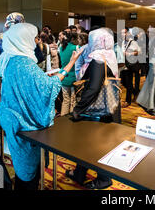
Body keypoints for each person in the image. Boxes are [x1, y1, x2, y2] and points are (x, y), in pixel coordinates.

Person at [0, 23, 82, 190]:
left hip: (12, 120)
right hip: (25, 126)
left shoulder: (9, 58)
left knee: (21, 164)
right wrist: (71, 64)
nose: (37, 41)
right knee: (28, 173)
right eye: (34, 37)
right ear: (24, 39)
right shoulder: (25, 64)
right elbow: (48, 87)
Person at [67, 28, 120, 190]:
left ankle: (104, 179)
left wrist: (78, 108)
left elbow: (93, 87)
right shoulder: (110, 55)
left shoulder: (98, 58)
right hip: (108, 107)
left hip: (97, 109)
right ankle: (79, 173)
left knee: (97, 145)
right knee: (90, 144)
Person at [120, 28, 141, 108]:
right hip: (123, 65)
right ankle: (136, 92)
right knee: (124, 82)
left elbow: (138, 52)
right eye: (122, 33)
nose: (123, 34)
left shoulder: (133, 42)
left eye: (125, 32)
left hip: (130, 65)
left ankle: (127, 101)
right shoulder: (122, 42)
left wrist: (129, 54)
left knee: (128, 83)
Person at [59, 31, 78, 116]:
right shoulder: (75, 47)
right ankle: (70, 119)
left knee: (65, 100)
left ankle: (63, 118)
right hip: (73, 76)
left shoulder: (61, 48)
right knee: (73, 100)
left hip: (64, 75)